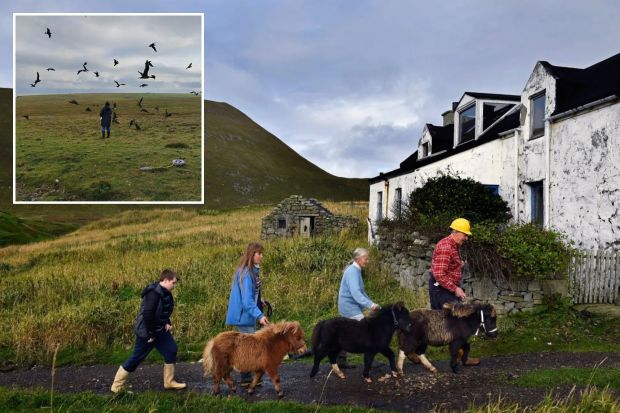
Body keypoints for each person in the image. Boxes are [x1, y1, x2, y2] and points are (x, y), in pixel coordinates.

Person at [111, 269, 186, 393]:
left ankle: (169, 382)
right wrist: (150, 334)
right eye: (173, 283)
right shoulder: (153, 294)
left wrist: (167, 322)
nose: (174, 285)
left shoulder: (166, 293)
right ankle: (117, 386)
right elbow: (148, 315)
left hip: (160, 330)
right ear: (166, 280)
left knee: (171, 350)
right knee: (136, 358)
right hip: (148, 332)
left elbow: (164, 311)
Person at [428, 217, 480, 366]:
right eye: (465, 235)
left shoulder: (453, 245)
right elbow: (439, 274)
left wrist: (459, 264)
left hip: (444, 288)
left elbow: (446, 266)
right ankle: (413, 351)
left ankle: (460, 356)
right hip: (441, 290)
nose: (466, 238)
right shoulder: (446, 246)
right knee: (456, 322)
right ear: (456, 232)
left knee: (455, 323)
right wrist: (455, 288)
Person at [225, 242, 270, 385]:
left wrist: (259, 301)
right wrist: (260, 315)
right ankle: (245, 379)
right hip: (243, 316)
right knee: (247, 348)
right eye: (259, 254)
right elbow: (246, 301)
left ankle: (247, 378)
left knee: (246, 346)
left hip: (247, 314)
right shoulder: (246, 274)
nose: (261, 256)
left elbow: (251, 295)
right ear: (252, 255)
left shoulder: (251, 270)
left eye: (262, 253)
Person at [336, 247, 379, 368]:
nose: (368, 261)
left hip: (348, 306)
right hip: (349, 307)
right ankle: (370, 361)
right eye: (366, 258)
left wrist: (371, 304)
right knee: (366, 332)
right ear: (359, 259)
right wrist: (370, 305)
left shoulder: (356, 270)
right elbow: (356, 293)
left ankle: (340, 360)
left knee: (346, 333)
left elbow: (361, 292)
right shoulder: (353, 272)